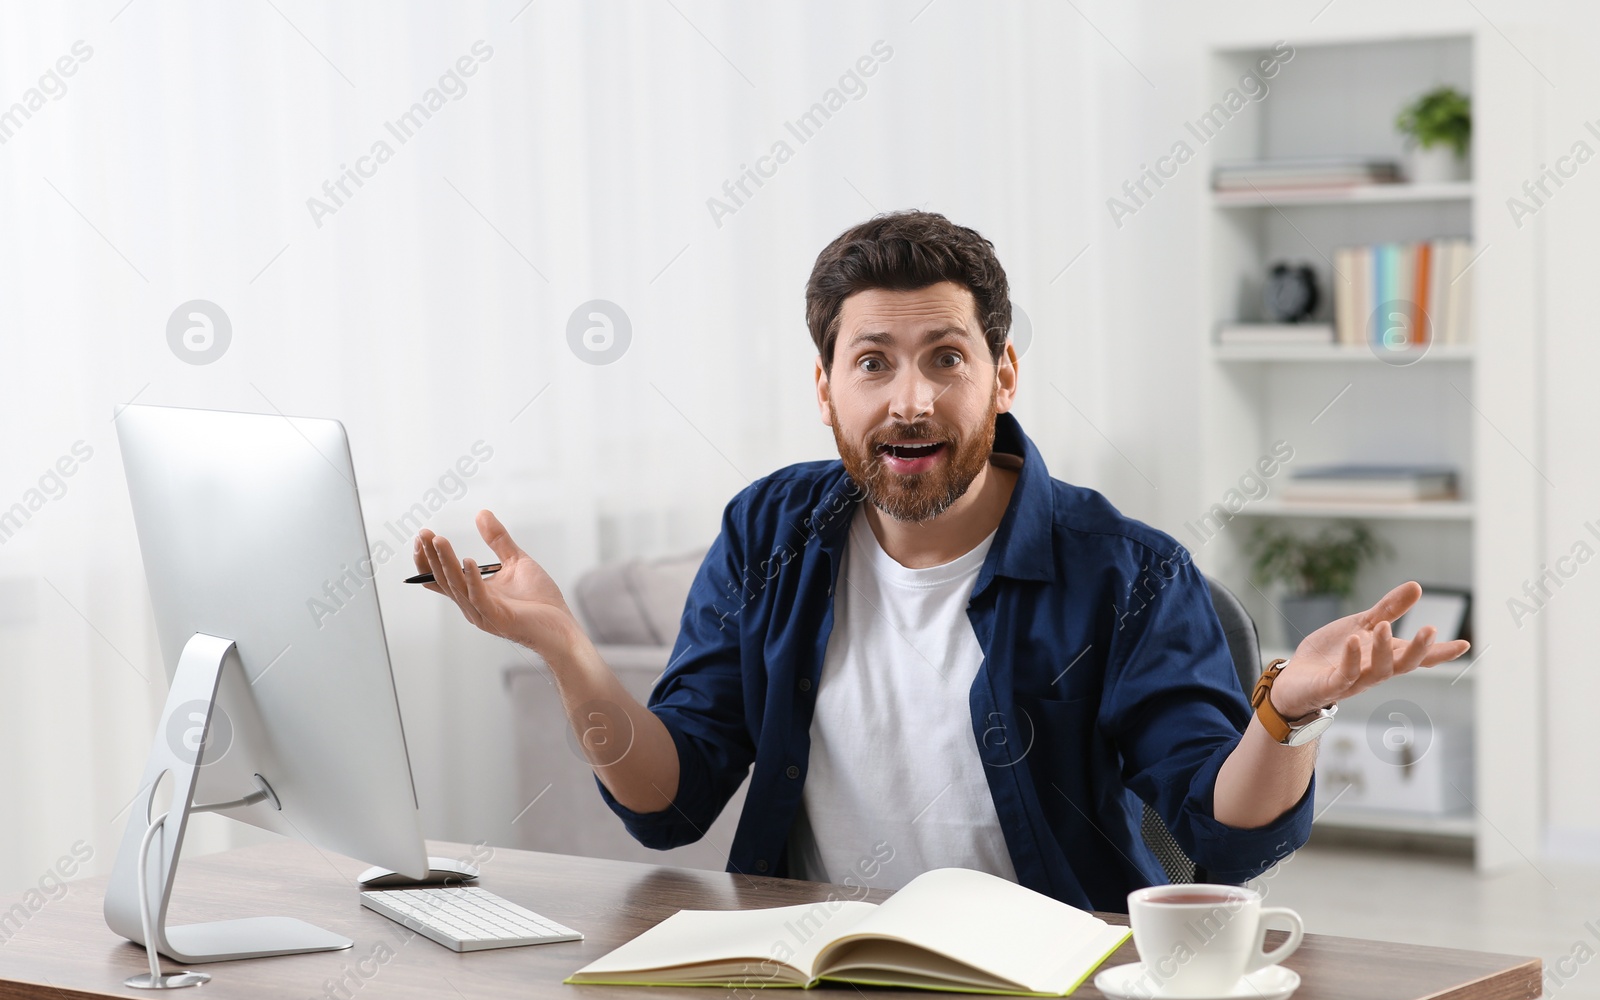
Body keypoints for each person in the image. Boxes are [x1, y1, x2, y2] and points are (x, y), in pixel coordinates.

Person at [414, 210, 1468, 911]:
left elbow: (1224, 839)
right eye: (872, 362)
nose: (909, 398)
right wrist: (564, 645)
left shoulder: (1126, 572)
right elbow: (667, 800)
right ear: (826, 389)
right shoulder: (768, 532)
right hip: (821, 992)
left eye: (945, 358)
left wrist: (1288, 713)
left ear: (1001, 375)